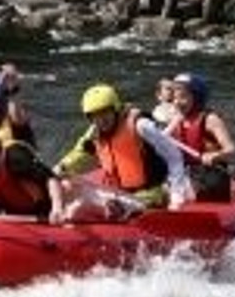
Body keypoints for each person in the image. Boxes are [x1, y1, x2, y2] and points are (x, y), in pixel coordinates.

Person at [53, 83, 192, 221]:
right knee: (66, 185)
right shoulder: (94, 132)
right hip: (117, 192)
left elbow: (173, 155)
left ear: (116, 109)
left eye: (105, 112)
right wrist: (61, 168)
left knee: (81, 211)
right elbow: (79, 155)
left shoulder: (140, 125)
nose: (101, 119)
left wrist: (177, 194)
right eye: (94, 115)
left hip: (151, 193)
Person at [165, 71, 235, 201]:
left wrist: (215, 155)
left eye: (183, 97)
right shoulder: (176, 119)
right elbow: (161, 140)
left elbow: (231, 149)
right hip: (187, 174)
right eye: (175, 98)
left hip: (209, 178)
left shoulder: (210, 119)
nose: (177, 102)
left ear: (197, 98)